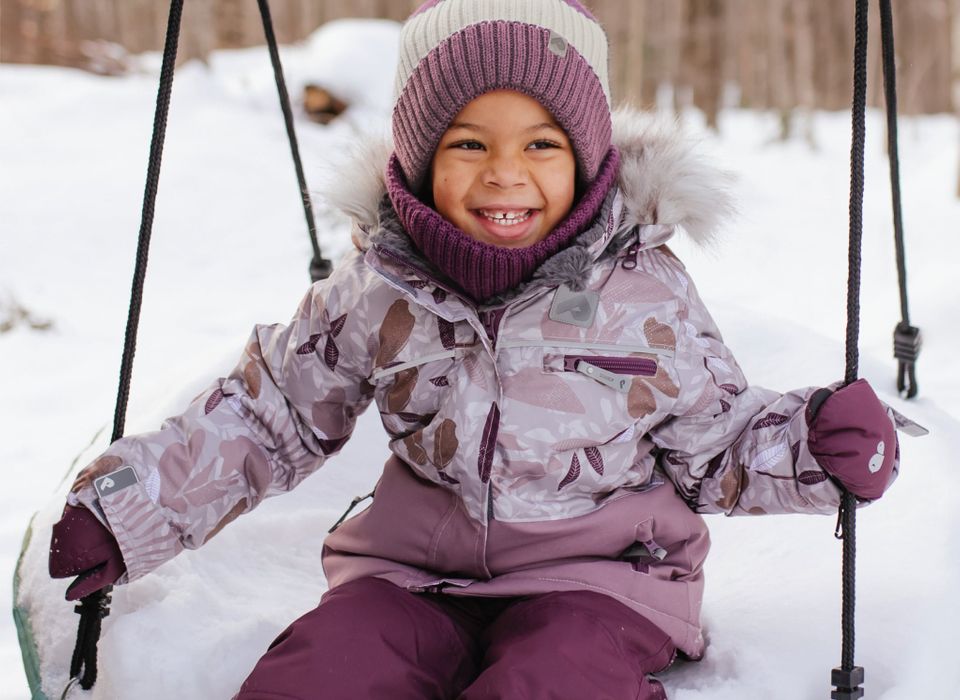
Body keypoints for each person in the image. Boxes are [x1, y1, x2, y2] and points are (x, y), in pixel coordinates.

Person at [49, 1, 902, 698]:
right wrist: (130, 508)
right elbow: (270, 414)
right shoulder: (379, 286)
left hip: (600, 582)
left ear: (587, 159)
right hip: (411, 576)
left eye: (541, 144)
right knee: (324, 675)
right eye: (468, 143)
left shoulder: (641, 292)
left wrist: (815, 449)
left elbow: (714, 444)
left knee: (553, 683)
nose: (505, 173)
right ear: (420, 158)